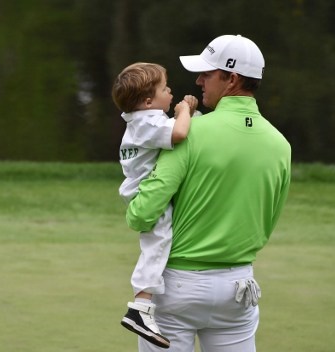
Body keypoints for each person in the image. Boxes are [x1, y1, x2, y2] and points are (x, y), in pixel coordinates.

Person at [125, 34, 292, 351]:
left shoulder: (188, 133)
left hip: (177, 288)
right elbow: (268, 221)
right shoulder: (281, 145)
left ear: (232, 78)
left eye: (208, 73)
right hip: (238, 288)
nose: (199, 80)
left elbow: (142, 214)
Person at [112, 62, 199, 349]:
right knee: (157, 243)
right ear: (148, 101)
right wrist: (184, 110)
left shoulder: (140, 121)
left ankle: (142, 305)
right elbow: (180, 134)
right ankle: (141, 307)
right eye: (165, 88)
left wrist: (187, 113)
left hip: (139, 191)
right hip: (145, 193)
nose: (170, 91)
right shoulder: (148, 122)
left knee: (154, 243)